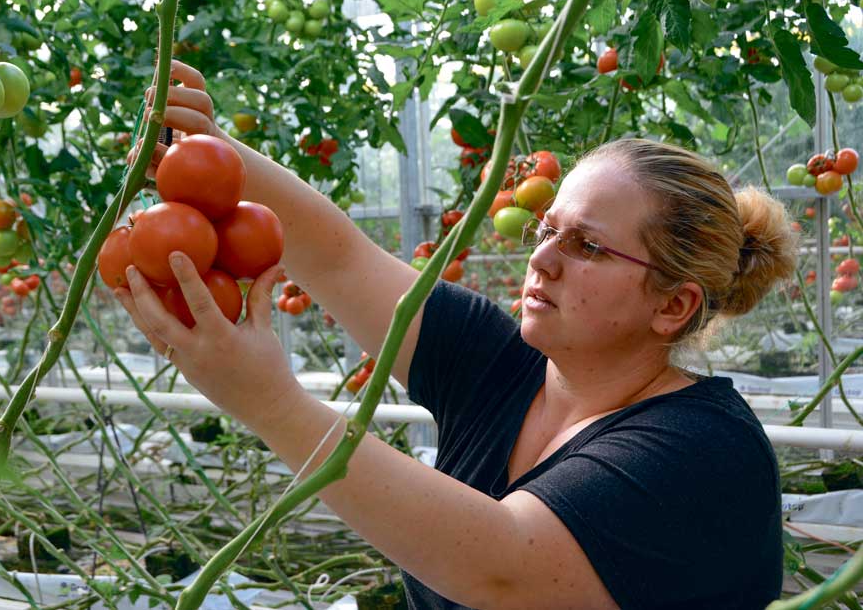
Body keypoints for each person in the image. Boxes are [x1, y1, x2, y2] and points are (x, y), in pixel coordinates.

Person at [117, 60, 797, 609]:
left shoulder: (706, 452)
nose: (541, 257)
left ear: (674, 306)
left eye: (587, 245)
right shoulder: (503, 365)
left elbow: (501, 571)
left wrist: (271, 403)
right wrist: (209, 148)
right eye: (547, 227)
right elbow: (338, 257)